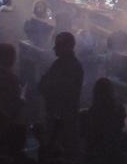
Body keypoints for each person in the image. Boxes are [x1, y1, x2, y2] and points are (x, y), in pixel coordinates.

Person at [38, 31, 84, 160]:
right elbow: (43, 86)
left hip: (65, 118)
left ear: (67, 47)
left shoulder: (73, 67)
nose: (54, 49)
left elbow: (60, 92)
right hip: (57, 116)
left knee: (65, 151)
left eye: (58, 46)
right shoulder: (58, 64)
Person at [80, 77, 126, 164]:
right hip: (114, 152)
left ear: (95, 92)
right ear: (111, 91)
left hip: (96, 154)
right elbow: (121, 126)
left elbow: (87, 134)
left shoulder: (92, 112)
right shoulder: (120, 109)